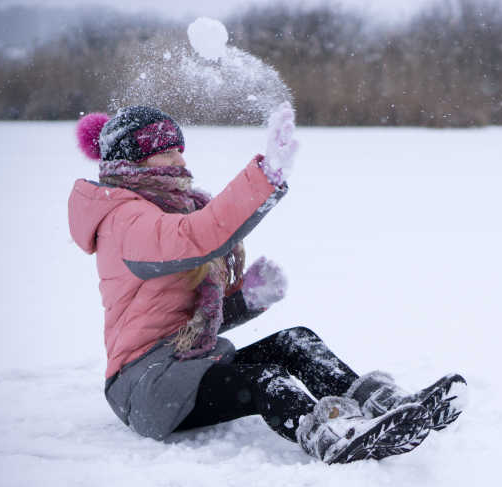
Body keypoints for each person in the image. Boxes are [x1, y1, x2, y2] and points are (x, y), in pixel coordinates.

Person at [68, 103, 467, 464]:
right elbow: (198, 236)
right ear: (132, 161)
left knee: (295, 340)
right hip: (145, 388)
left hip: (185, 365)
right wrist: (265, 176)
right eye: (163, 147)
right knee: (265, 380)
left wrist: (245, 298)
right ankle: (328, 436)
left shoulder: (162, 210)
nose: (178, 157)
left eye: (178, 146)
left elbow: (184, 322)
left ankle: (384, 404)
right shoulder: (124, 220)